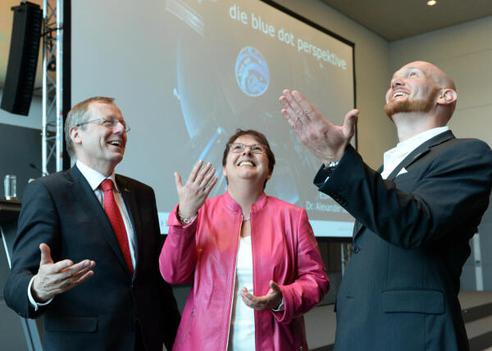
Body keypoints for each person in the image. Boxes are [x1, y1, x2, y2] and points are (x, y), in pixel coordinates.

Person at [279, 61, 492, 351]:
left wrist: (339, 159)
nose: (396, 82)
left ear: (446, 96)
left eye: (411, 74)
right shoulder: (382, 171)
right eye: (392, 80)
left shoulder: (468, 153)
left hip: (414, 336)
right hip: (358, 330)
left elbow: (416, 224)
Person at [4, 97, 180, 351]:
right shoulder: (48, 192)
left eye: (122, 124)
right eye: (108, 122)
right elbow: (15, 284)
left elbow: (156, 281)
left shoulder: (142, 194)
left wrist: (178, 340)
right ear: (76, 134)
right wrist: (38, 289)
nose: (120, 130)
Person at [159, 129, 329, 350]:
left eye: (257, 149)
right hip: (203, 343)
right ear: (224, 169)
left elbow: (317, 279)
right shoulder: (198, 212)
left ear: (269, 171)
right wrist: (185, 216)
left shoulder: (293, 217)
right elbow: (172, 273)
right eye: (238, 148)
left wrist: (282, 298)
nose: (247, 152)